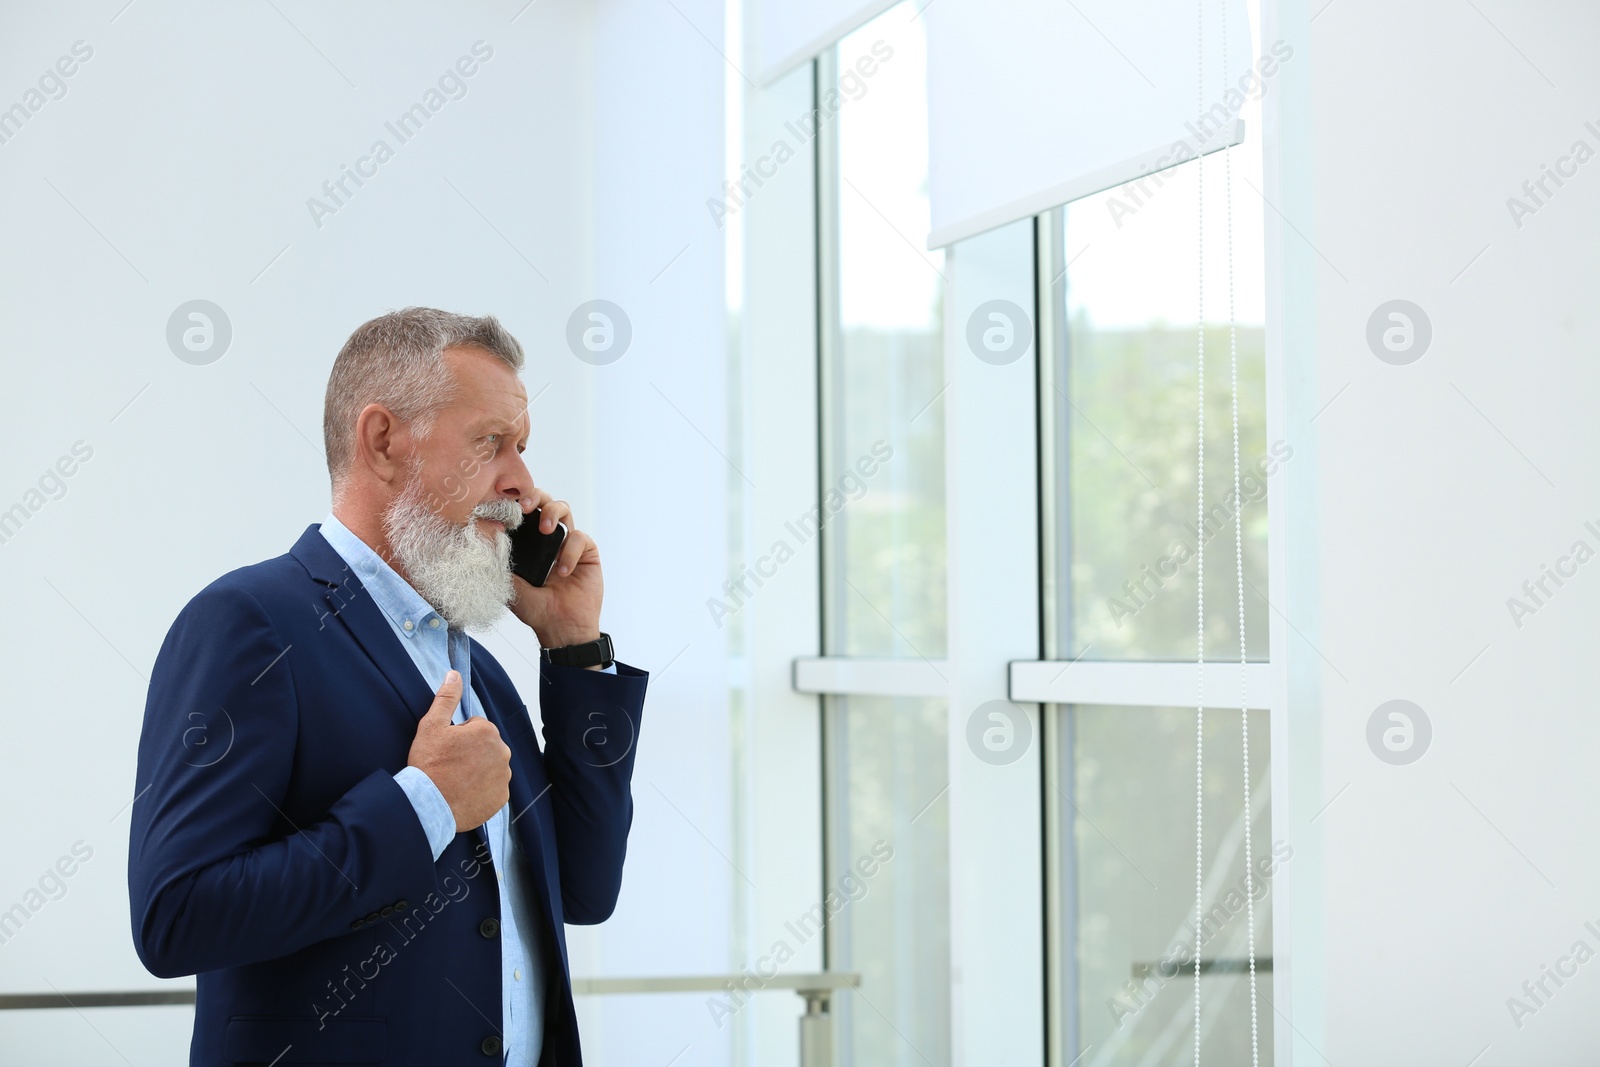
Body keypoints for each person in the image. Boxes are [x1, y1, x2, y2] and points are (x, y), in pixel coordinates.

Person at [127, 307, 647, 1066]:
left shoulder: (484, 679)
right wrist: (425, 804)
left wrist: (573, 649)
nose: (524, 483)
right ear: (382, 441)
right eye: (490, 442)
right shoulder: (249, 623)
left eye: (523, 448)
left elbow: (587, 891)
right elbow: (175, 915)